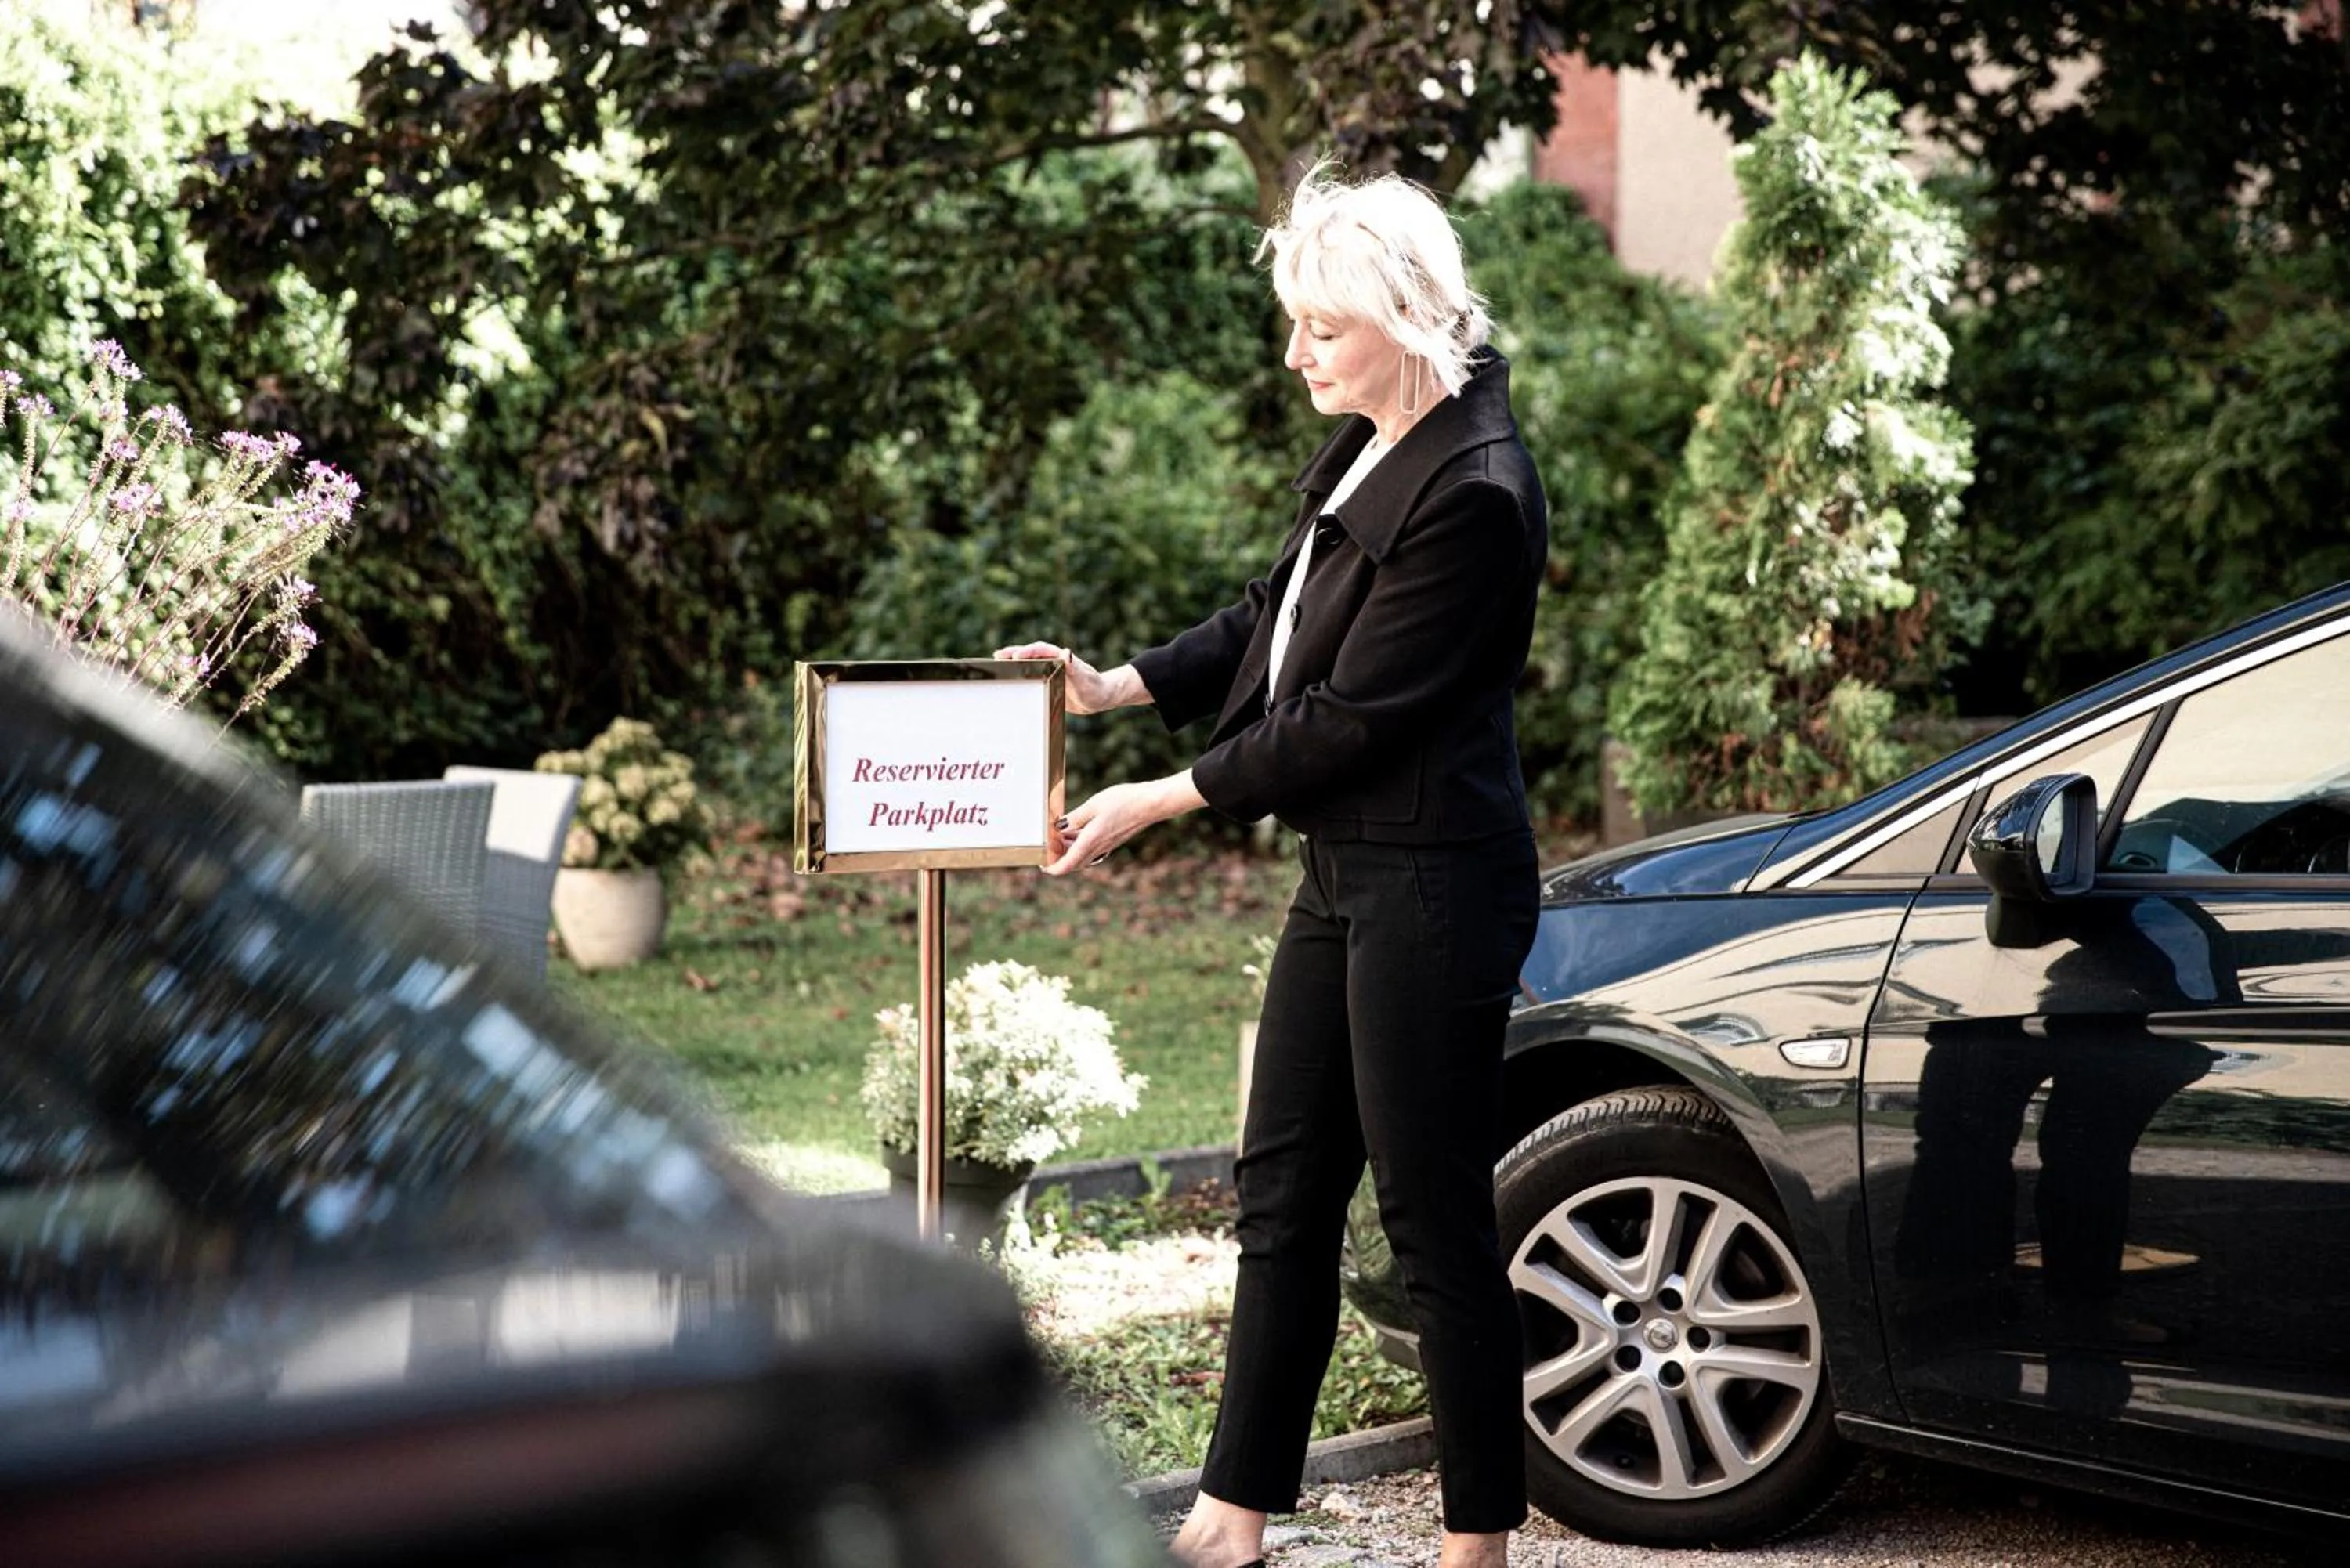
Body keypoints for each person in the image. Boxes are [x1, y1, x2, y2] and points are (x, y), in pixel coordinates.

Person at [996, 163, 1548, 1568]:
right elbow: (1278, 610)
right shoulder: (1379, 433)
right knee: (1281, 1194)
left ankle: (1477, 1542)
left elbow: (1350, 713)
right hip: (1346, 877)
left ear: (1411, 316)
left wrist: (1163, 797)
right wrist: (1118, 685)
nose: (1295, 352)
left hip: (1434, 886)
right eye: (1295, 322)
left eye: (1322, 327)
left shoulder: (1476, 489)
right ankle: (1233, 1512)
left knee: (1433, 1228)